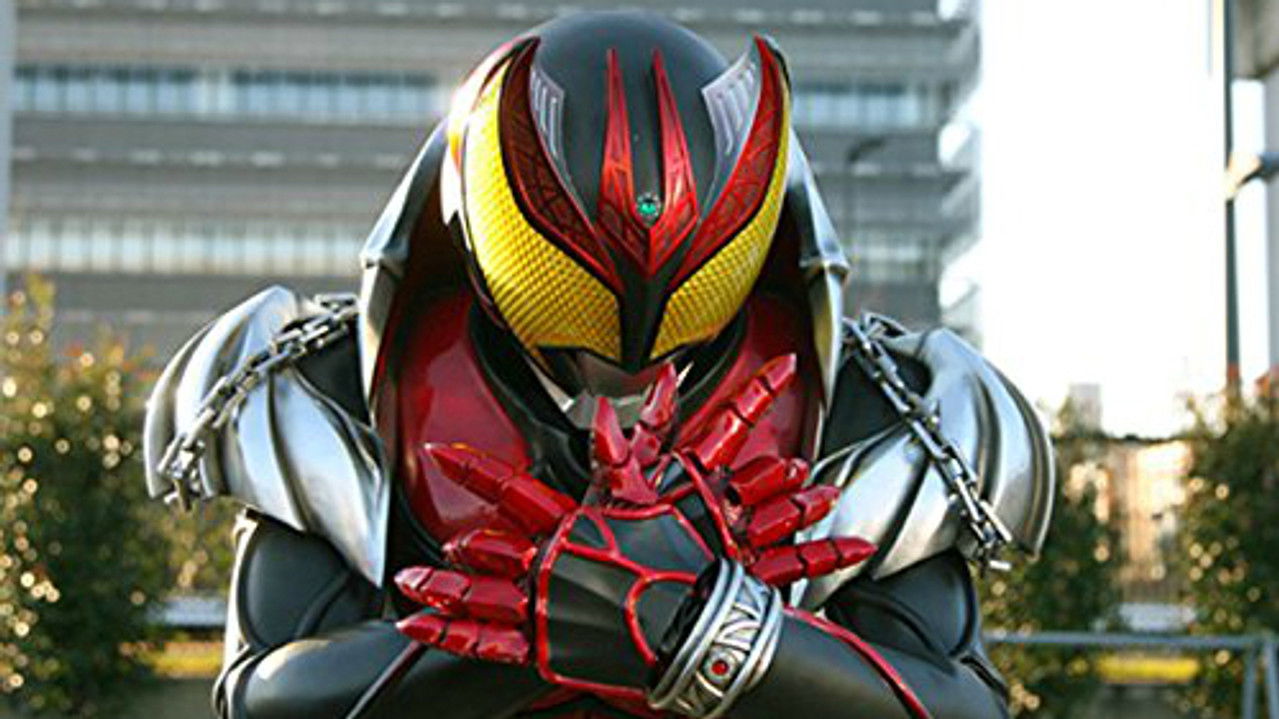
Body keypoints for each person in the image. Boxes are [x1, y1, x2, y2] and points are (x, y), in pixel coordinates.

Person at [144, 11, 1053, 718]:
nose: (621, 372)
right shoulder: (336, 392)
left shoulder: (875, 410)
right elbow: (262, 693)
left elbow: (963, 703)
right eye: (566, 296)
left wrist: (709, 629)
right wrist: (542, 630)